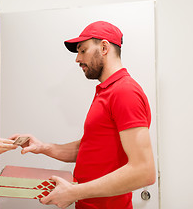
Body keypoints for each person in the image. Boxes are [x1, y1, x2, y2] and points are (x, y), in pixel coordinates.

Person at [10, 21, 156, 209]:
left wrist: (74, 192)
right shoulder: (107, 91)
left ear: (104, 47)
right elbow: (89, 149)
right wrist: (43, 147)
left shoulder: (124, 92)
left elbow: (144, 171)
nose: (77, 59)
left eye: (83, 50)